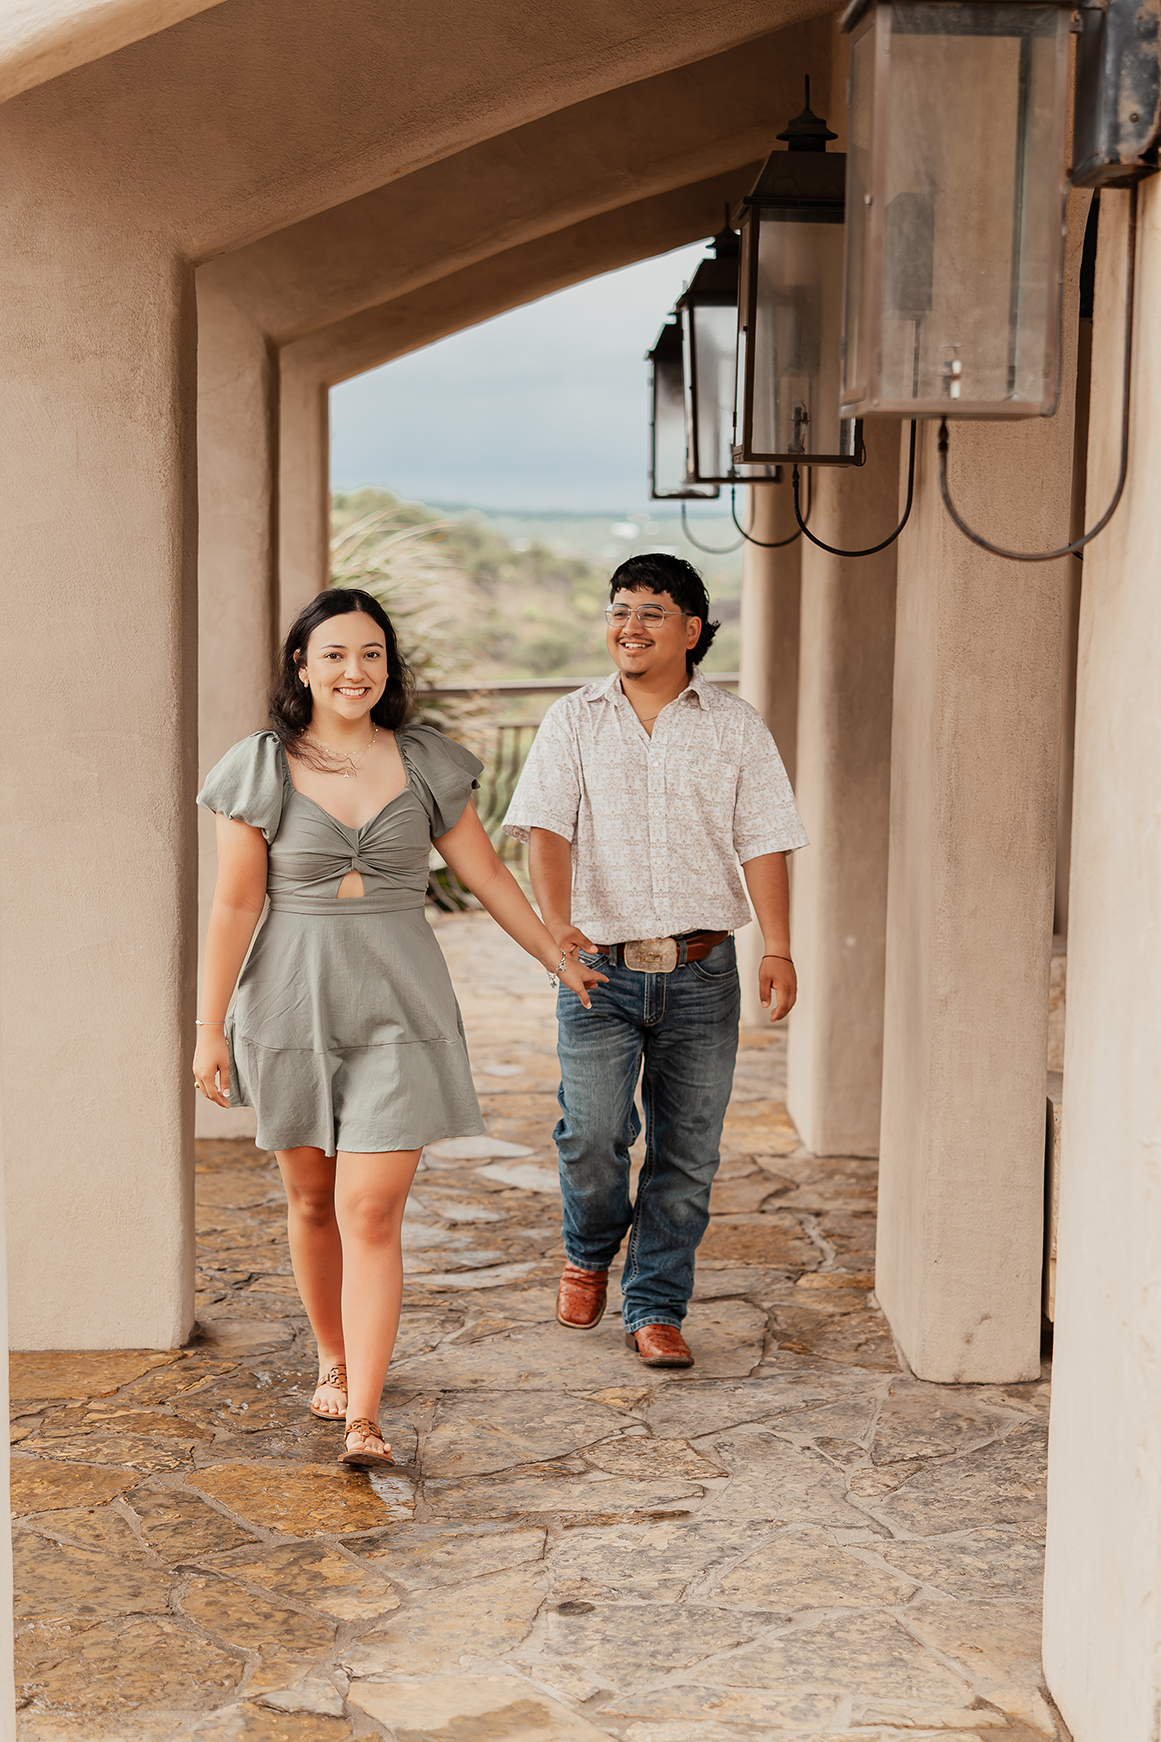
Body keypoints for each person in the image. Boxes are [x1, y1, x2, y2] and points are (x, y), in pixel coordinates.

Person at [193, 587, 603, 1466]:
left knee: (369, 1209)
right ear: (301, 666)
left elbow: (489, 876)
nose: (355, 670)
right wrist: (207, 1027)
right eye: (335, 653)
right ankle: (333, 1358)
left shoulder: (422, 761)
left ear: (389, 667)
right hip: (289, 1002)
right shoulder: (258, 765)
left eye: (372, 653)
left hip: (400, 1006)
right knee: (310, 1199)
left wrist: (552, 952)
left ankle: (364, 1419)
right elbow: (233, 904)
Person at [503, 552, 806, 1368]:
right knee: (591, 1135)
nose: (628, 627)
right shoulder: (573, 719)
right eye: (618, 611)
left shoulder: (735, 725)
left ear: (691, 630)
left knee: (687, 1152)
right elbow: (546, 828)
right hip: (597, 967)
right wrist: (557, 927)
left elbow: (765, 840)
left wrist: (776, 945)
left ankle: (656, 1307)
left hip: (704, 970)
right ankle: (589, 1246)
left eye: (649, 613)